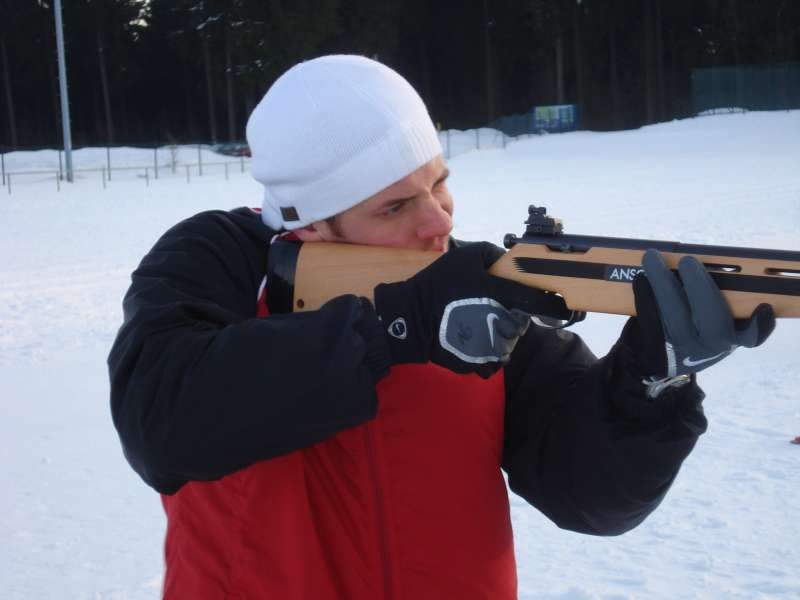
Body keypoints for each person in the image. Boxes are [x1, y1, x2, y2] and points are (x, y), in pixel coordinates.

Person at [108, 55, 775, 599]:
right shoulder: (218, 261)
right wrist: (398, 328)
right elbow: (160, 424)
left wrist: (648, 385)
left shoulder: (465, 287)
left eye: (439, 184)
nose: (440, 223)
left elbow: (590, 499)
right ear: (309, 224)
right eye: (396, 204)